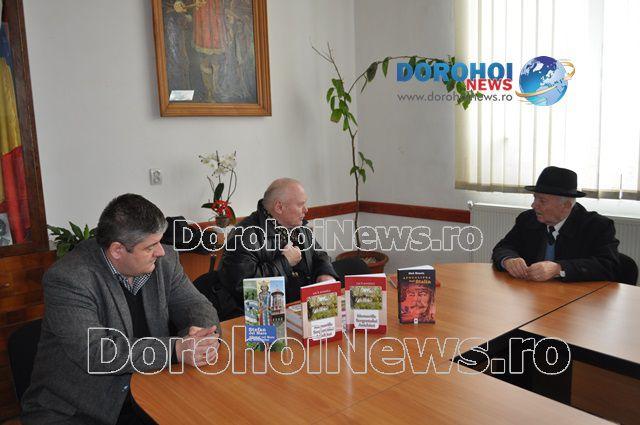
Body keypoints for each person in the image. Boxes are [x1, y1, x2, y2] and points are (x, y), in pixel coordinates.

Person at [21, 194, 220, 425]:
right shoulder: (69, 279)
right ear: (117, 250)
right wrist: (176, 349)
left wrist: (202, 337)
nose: (161, 252)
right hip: (78, 411)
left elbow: (196, 305)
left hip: (149, 393)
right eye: (150, 246)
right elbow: (97, 353)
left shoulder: (164, 263)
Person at [219, 178, 338, 306]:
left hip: (301, 307)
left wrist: (325, 274)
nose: (306, 209)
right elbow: (244, 289)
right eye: (300, 205)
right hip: (262, 314)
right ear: (279, 207)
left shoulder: (298, 226)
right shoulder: (242, 235)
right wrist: (285, 262)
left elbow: (319, 255)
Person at [492, 166, 620, 282]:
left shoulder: (597, 226)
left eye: (542, 201)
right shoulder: (527, 219)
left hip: (576, 297)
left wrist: (559, 269)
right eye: (535, 198)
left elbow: (608, 265)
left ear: (566, 205)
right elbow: (503, 247)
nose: (533, 205)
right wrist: (508, 260)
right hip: (532, 293)